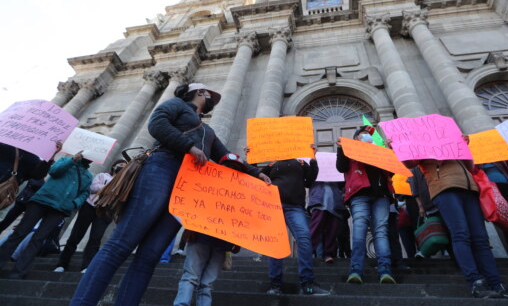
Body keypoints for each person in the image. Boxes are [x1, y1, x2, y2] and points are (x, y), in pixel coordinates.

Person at [70, 82, 270, 306]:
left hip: (187, 186)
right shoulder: (177, 104)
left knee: (149, 257)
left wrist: (256, 173)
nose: (211, 98)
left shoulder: (208, 130)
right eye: (207, 93)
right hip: (161, 168)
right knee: (120, 244)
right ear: (198, 92)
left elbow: (225, 157)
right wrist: (189, 146)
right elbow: (157, 125)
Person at [397, 135, 508, 299]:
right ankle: (475, 281)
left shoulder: (453, 142)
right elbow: (409, 163)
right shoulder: (424, 145)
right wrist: (397, 146)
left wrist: (463, 147)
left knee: (481, 238)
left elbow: (470, 166)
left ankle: (497, 283)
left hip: (469, 189)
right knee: (460, 234)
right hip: (445, 190)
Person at [0, 150, 92, 279]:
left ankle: (19, 272)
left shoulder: (89, 176)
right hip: (41, 201)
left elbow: (85, 193)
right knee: (19, 233)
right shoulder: (66, 161)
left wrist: (74, 203)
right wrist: (73, 160)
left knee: (38, 239)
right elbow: (54, 171)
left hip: (60, 209)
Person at [252, 145, 330, 296]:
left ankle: (307, 283)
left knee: (304, 237)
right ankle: (275, 285)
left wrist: (313, 158)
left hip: (295, 207)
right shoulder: (272, 165)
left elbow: (310, 180)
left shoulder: (301, 163)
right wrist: (252, 159)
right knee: (276, 243)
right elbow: (257, 178)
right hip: (274, 206)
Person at [173, 154, 249, 306]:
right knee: (191, 277)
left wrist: (238, 241)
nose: (231, 171)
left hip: (223, 243)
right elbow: (193, 206)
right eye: (228, 167)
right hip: (200, 237)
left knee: (207, 283)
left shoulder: (242, 195)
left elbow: (242, 218)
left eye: (236, 169)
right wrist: (189, 228)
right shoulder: (205, 184)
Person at [336, 125, 396, 285]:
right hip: (359, 195)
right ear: (356, 139)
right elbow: (341, 167)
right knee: (359, 231)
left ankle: (385, 271)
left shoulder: (380, 151)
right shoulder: (350, 151)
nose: (367, 137)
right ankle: (356, 270)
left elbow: (392, 172)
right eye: (363, 134)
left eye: (368, 135)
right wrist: (341, 149)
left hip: (381, 195)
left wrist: (392, 151)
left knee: (381, 231)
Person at [54, 159, 128, 273]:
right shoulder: (102, 175)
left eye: (125, 166)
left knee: (95, 238)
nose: (122, 167)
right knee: (76, 235)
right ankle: (62, 263)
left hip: (106, 210)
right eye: (120, 165)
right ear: (114, 166)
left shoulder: (125, 183)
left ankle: (86, 266)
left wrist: (108, 188)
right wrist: (111, 188)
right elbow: (93, 188)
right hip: (89, 206)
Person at [307, 180, 345, 264]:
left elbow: (343, 183)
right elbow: (308, 180)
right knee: (315, 227)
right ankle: (307, 252)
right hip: (319, 199)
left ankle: (329, 254)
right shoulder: (314, 167)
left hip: (334, 201)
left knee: (332, 229)